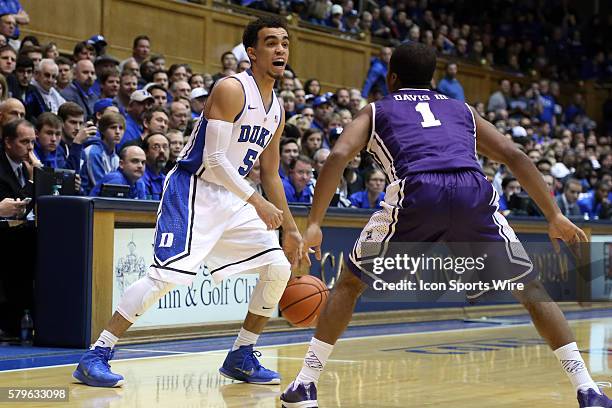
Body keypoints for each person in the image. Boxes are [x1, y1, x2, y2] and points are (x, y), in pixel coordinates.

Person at [280, 41, 612, 408]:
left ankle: (305, 384)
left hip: (418, 189)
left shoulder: (376, 110)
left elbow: (340, 155)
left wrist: (314, 223)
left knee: (350, 284)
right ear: (433, 78)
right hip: (472, 189)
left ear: (391, 78)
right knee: (531, 289)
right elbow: (514, 155)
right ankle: (586, 388)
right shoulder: (461, 110)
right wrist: (554, 215)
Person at [73, 16, 307, 388]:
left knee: (278, 266)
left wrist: (292, 230)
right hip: (193, 189)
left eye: (285, 43)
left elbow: (271, 172)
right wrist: (258, 203)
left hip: (233, 198)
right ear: (252, 52)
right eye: (271, 42)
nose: (281, 49)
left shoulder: (277, 109)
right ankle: (96, 354)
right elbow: (214, 161)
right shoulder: (232, 89)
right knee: (164, 278)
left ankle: (241, 355)